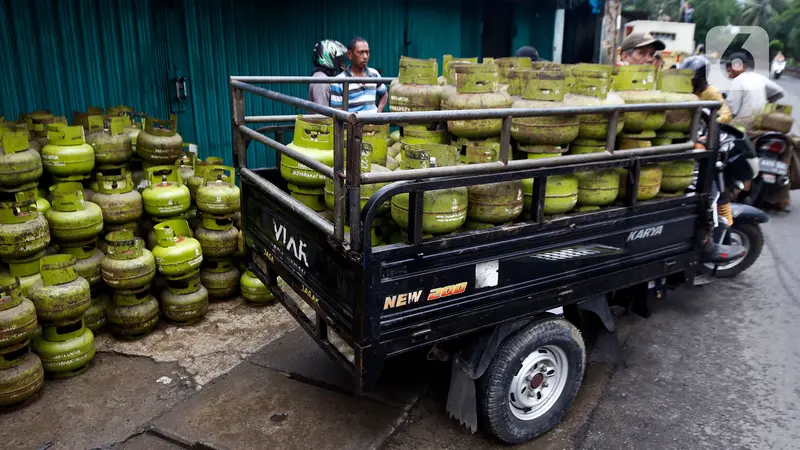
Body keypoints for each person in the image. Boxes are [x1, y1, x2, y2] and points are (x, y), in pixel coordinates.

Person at [724, 52, 785, 129]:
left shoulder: (737, 81)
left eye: (731, 66)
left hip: (740, 127)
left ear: (743, 67)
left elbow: (732, 110)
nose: (728, 69)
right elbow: (780, 92)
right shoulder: (759, 77)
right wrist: (768, 102)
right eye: (727, 66)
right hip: (760, 124)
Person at [330, 37, 389, 113]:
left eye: (367, 52)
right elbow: (337, 112)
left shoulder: (374, 74)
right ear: (349, 54)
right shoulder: (339, 81)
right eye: (360, 52)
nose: (365, 57)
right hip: (353, 124)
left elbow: (384, 94)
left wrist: (378, 112)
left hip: (374, 124)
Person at [677, 55, 732, 123]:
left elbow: (726, 114)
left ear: (701, 78)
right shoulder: (682, 91)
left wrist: (711, 122)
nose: (687, 82)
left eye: (691, 78)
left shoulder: (712, 93)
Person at [308, 40, 347, 106]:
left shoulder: (325, 77)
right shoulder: (321, 80)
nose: (341, 63)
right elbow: (322, 112)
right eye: (338, 59)